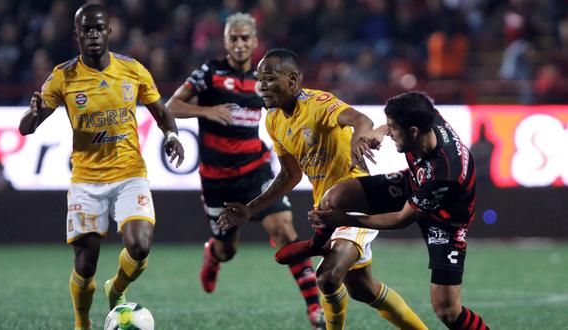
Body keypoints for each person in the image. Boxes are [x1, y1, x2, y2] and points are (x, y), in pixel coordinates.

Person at [217, 48, 427, 330]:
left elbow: (361, 120)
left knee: (327, 277)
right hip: (326, 211)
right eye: (259, 79)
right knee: (362, 289)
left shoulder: (318, 104)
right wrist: (251, 209)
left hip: (357, 199)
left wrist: (356, 139)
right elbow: (290, 175)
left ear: (293, 79)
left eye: (269, 78)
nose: (262, 85)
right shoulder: (274, 120)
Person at [18, 4, 184, 330]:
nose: (93, 35)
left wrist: (172, 134)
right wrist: (33, 113)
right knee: (86, 263)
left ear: (110, 31)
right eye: (86, 29)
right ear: (76, 34)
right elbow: (26, 128)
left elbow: (160, 110)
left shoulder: (132, 70)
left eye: (98, 28)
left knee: (139, 246)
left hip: (129, 173)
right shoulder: (63, 76)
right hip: (86, 179)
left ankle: (117, 288)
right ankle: (83, 324)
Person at [166, 13, 325, 329]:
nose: (239, 44)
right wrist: (207, 110)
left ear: (255, 42)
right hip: (217, 179)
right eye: (233, 38)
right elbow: (171, 106)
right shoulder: (209, 73)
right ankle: (214, 253)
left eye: (245, 38)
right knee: (228, 250)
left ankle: (314, 309)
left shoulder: (265, 78)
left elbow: (295, 106)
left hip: (256, 171)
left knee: (285, 231)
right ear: (225, 41)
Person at [308, 92, 490, 330]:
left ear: (413, 131)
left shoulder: (444, 171)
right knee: (335, 197)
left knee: (448, 312)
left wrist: (346, 220)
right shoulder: (427, 116)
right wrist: (379, 131)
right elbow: (402, 121)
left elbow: (400, 219)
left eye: (393, 129)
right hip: (414, 184)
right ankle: (320, 246)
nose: (390, 132)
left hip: (446, 222)